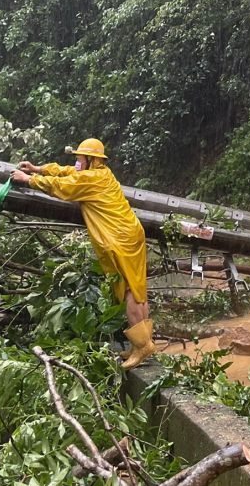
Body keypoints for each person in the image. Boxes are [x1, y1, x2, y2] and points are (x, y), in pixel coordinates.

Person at [11, 137, 156, 368]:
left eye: (80, 157)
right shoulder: (100, 173)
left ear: (91, 159)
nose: (77, 161)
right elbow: (67, 172)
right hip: (128, 234)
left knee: (130, 290)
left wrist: (29, 180)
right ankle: (141, 343)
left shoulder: (91, 179)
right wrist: (39, 168)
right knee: (137, 289)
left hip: (120, 238)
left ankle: (144, 346)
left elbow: (63, 187)